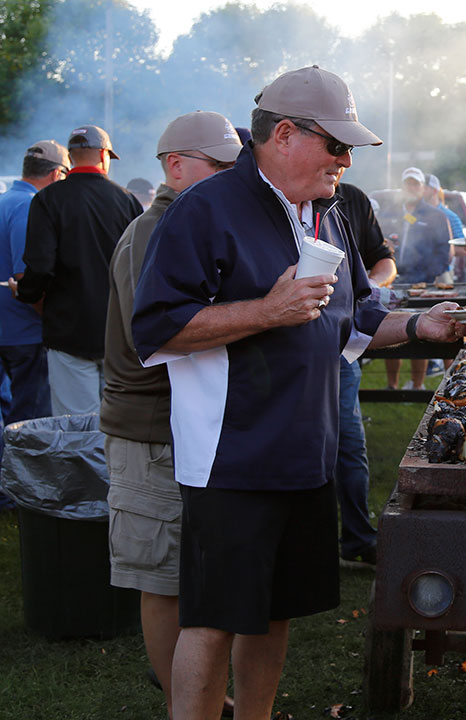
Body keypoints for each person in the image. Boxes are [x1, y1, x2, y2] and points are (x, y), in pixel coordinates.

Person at [129, 65, 466, 720]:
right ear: (283, 135)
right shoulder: (206, 211)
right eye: (336, 144)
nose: (347, 159)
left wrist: (421, 326)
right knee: (214, 621)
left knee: (275, 616)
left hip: (306, 456)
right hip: (231, 461)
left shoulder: (328, 216)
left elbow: (353, 323)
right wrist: (266, 310)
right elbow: (153, 330)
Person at [101, 110, 242, 719]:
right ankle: (180, 703)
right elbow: (152, 338)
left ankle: (205, 699)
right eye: (222, 170)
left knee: (193, 573)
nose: (234, 183)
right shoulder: (152, 231)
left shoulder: (196, 221)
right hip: (149, 428)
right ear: (176, 166)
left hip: (192, 428)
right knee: (160, 578)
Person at [15, 124, 143, 416]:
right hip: (119, 332)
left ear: (71, 157)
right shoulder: (126, 200)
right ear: (102, 155)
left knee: (78, 429)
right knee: (118, 423)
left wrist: (24, 292)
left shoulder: (48, 199)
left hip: (68, 331)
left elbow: (39, 266)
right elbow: (141, 265)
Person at [316, 172, 397, 568]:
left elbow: (383, 258)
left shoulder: (351, 199)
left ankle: (358, 537)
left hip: (343, 346)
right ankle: (308, 542)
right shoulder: (273, 199)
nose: (341, 161)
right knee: (308, 441)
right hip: (292, 347)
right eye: (333, 147)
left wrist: (374, 284)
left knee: (349, 441)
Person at [0, 141, 66, 435]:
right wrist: (50, 319)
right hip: (24, 331)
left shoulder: (4, 200)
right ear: (55, 174)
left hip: (7, 328)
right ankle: (20, 481)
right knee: (29, 421)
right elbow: (25, 274)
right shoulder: (29, 206)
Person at [386, 166, 451, 390]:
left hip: (424, 283)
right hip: (394, 281)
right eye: (408, 184)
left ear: (423, 188)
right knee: (390, 331)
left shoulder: (435, 216)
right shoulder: (392, 213)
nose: (411, 188)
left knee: (420, 332)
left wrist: (425, 276)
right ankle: (392, 386)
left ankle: (417, 385)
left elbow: (445, 252)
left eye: (416, 184)